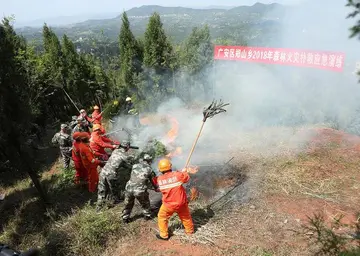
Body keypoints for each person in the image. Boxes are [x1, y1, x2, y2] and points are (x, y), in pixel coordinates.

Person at [153, 158, 194, 240]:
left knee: (162, 217)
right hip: (181, 202)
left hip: (168, 205)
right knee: (186, 217)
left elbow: (157, 187)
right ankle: (190, 232)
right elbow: (186, 178)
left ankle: (164, 235)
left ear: (160, 170)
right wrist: (184, 171)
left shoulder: (159, 179)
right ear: (170, 167)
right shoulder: (178, 175)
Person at [96, 140, 135, 210]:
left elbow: (121, 163)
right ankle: (114, 202)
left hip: (103, 172)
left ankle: (98, 208)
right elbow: (128, 164)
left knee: (101, 191)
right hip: (111, 174)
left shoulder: (115, 151)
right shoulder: (124, 156)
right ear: (127, 147)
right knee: (114, 190)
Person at [122, 154, 158, 223]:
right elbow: (153, 181)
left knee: (128, 203)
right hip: (139, 190)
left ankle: (125, 218)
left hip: (129, 188)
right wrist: (156, 188)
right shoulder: (149, 169)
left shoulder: (135, 165)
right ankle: (147, 216)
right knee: (145, 203)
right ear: (149, 161)